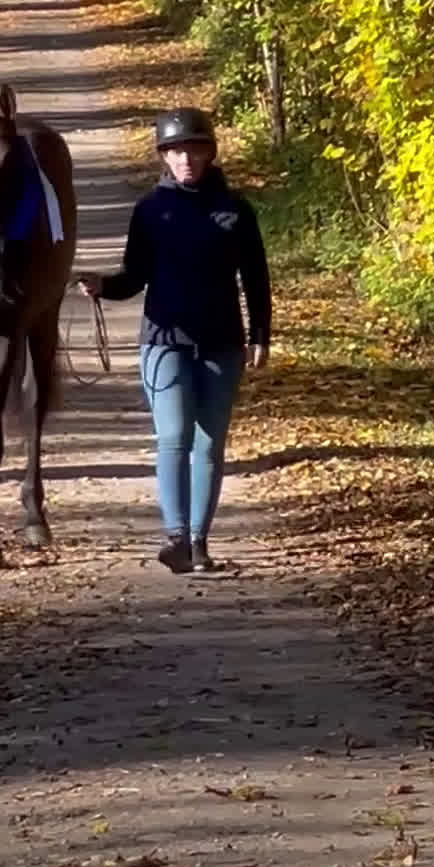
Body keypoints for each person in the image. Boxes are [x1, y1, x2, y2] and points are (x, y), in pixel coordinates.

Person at [77, 106, 271, 574]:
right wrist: (103, 285)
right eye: (176, 151)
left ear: (210, 153)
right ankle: (177, 536)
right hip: (164, 341)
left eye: (195, 150)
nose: (186, 159)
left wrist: (260, 334)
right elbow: (135, 275)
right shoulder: (150, 210)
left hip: (222, 342)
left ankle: (200, 542)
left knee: (209, 443)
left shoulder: (235, 210)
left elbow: (255, 278)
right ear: (164, 156)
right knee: (173, 436)